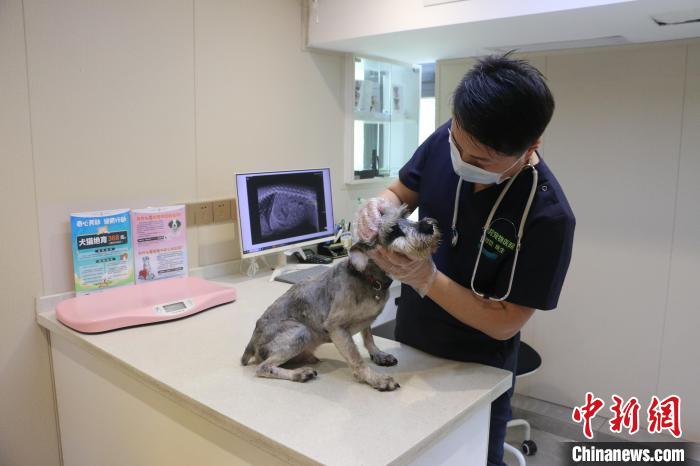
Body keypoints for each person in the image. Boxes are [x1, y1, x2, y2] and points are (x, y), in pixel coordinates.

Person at [355, 53, 576, 466]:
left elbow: (505, 321)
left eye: (480, 161)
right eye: (458, 144)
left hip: (477, 369)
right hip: (413, 342)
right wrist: (379, 205)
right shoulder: (449, 138)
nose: (462, 160)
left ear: (531, 147)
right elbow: (403, 189)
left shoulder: (548, 217)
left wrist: (425, 278)